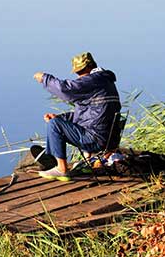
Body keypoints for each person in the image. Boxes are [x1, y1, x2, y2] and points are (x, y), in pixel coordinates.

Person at [33, 52, 121, 181]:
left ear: (89, 67)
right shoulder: (105, 81)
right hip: (108, 140)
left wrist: (45, 78)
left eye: (80, 72)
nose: (78, 76)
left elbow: (65, 89)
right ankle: (88, 161)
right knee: (58, 121)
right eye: (77, 72)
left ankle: (61, 169)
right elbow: (91, 113)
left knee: (54, 124)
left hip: (95, 139)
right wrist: (61, 117)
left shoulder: (93, 80)